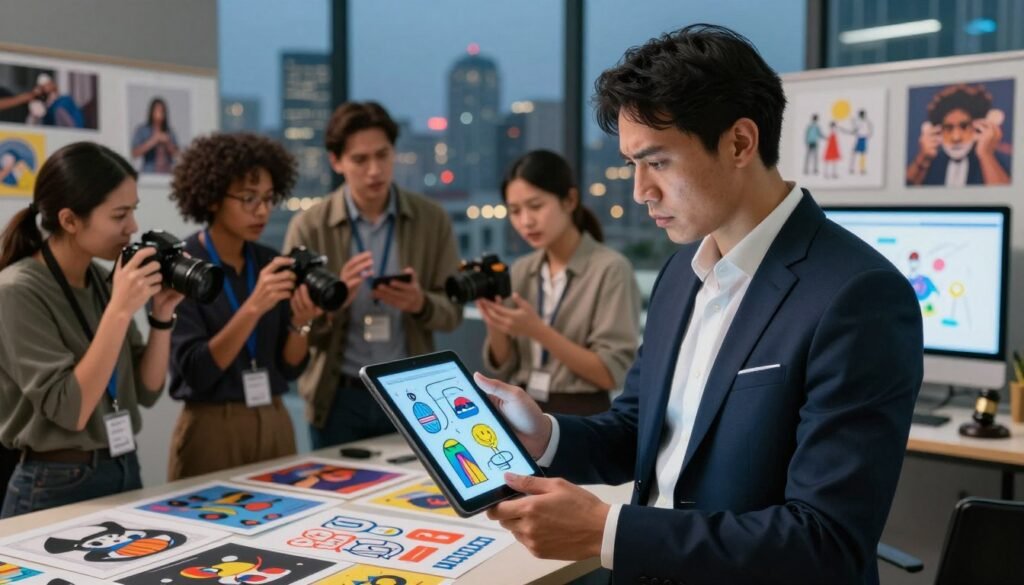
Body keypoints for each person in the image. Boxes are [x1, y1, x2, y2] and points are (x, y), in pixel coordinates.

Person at [474, 25, 923, 585]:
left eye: (657, 162)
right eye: (631, 165)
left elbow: (826, 540)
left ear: (739, 143)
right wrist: (545, 435)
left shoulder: (858, 295)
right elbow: (642, 429)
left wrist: (606, 532)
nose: (639, 191)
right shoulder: (681, 274)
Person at [0, 142, 183, 518]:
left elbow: (147, 391)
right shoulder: (18, 291)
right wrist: (118, 311)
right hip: (53, 479)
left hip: (122, 465)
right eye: (119, 215)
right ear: (69, 220)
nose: (132, 227)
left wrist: (161, 316)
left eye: (133, 211)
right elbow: (71, 411)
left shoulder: (101, 280)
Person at [284, 101, 463, 448]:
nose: (374, 170)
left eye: (383, 155)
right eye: (360, 160)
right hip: (338, 396)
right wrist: (335, 304)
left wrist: (420, 303)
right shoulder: (309, 227)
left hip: (409, 392)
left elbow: (452, 313)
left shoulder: (431, 219)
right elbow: (297, 324)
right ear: (336, 162)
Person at [166, 132, 312, 480]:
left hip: (274, 419)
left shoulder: (268, 261)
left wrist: (301, 325)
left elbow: (289, 369)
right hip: (213, 425)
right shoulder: (184, 267)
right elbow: (197, 371)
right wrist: (253, 307)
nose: (261, 210)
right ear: (213, 197)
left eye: (267, 198)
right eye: (248, 199)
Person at [479, 150, 640, 416]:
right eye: (515, 211)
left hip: (582, 415)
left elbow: (612, 373)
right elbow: (504, 365)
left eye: (536, 206)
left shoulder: (610, 269)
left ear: (570, 200)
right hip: (521, 408)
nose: (525, 221)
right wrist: (493, 319)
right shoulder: (522, 269)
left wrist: (538, 331)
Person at [906, 83, 1011, 187]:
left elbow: (1006, 196)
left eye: (964, 126)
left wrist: (986, 155)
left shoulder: (991, 160)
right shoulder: (931, 164)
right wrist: (922, 158)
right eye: (948, 128)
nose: (956, 137)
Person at [131, 97, 180, 174]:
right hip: (149, 173)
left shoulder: (170, 131)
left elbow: (178, 154)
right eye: (157, 110)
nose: (160, 113)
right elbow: (134, 153)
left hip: (168, 173)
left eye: (162, 110)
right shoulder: (142, 130)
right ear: (152, 111)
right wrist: (153, 140)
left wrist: (168, 143)